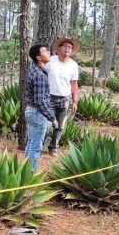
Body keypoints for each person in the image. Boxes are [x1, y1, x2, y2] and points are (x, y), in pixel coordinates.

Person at [24, 44, 57, 172]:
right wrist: (52, 118)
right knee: (36, 146)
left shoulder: (34, 69)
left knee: (31, 142)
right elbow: (40, 101)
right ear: (38, 57)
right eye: (45, 51)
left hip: (31, 111)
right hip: (37, 113)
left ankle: (25, 171)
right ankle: (29, 175)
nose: (48, 52)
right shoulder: (40, 75)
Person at [46, 37, 80, 155]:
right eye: (65, 46)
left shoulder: (73, 65)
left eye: (70, 47)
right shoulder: (50, 61)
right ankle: (38, 144)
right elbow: (42, 75)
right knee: (46, 124)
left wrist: (75, 101)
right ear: (59, 48)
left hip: (64, 98)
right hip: (49, 97)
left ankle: (53, 147)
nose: (67, 49)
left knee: (60, 125)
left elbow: (74, 84)